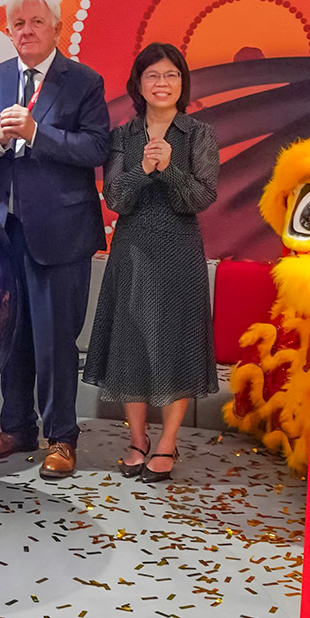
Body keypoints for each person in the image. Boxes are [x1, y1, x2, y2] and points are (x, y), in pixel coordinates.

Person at [0, 0, 110, 479]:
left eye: (36, 23)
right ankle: (16, 426)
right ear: (9, 32)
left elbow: (95, 149)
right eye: (18, 24)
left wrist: (35, 133)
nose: (27, 31)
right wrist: (1, 139)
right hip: (4, 231)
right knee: (11, 337)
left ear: (56, 27)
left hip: (62, 232)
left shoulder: (83, 81)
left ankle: (62, 437)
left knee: (55, 341)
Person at [83, 43, 219, 483]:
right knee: (131, 343)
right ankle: (138, 439)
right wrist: (143, 168)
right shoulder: (123, 136)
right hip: (134, 250)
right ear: (138, 85)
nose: (163, 84)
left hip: (180, 251)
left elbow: (200, 198)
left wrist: (171, 170)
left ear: (183, 82)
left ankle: (167, 441)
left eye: (171, 75)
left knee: (176, 342)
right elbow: (117, 198)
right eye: (153, 76)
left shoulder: (199, 134)